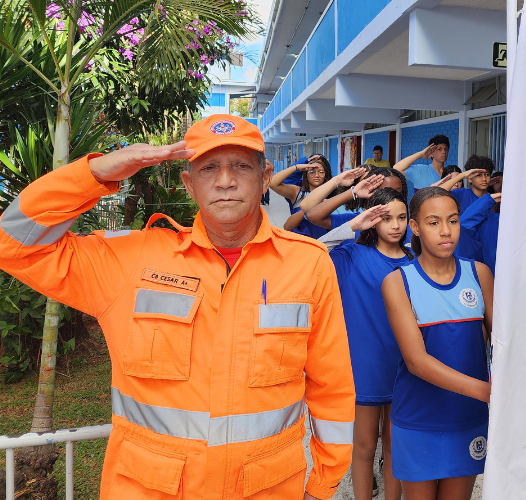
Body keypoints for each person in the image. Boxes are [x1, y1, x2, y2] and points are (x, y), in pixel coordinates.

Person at [0, 114, 355, 499]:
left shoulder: (309, 263)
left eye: (240, 165)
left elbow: (331, 387)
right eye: (208, 168)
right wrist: (98, 171)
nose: (225, 180)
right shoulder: (132, 259)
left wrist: (322, 487)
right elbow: (13, 244)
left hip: (267, 489)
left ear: (265, 175)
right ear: (188, 183)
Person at [381, 187, 493, 500]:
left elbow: (503, 340)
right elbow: (416, 361)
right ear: (414, 227)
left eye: (453, 220)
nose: (446, 231)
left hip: (467, 418)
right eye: (433, 223)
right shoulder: (398, 282)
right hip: (419, 421)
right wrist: (488, 392)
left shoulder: (479, 274)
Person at [328, 189, 412, 500]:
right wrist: (353, 225)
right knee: (363, 447)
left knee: (394, 447)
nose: (395, 225)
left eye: (401, 217)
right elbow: (310, 251)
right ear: (371, 220)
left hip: (406, 368)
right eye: (385, 217)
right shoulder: (351, 257)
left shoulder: (416, 260)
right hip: (364, 369)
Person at [302, 167, 408, 243]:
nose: (392, 197)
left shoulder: (405, 225)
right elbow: (313, 216)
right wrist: (353, 192)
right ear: (371, 193)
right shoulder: (356, 221)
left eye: (398, 192)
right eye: (385, 192)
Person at [270, 155, 332, 238]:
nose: (316, 175)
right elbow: (273, 183)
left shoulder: (332, 196)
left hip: (324, 244)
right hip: (300, 242)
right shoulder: (298, 192)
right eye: (311, 171)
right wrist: (297, 167)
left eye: (321, 172)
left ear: (325, 175)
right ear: (306, 174)